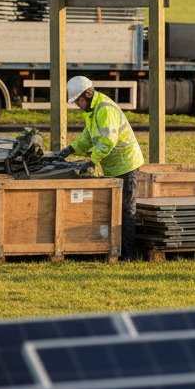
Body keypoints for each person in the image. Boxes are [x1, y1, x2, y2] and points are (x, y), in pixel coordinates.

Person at [57, 75, 145, 259]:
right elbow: (88, 137)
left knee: (127, 210)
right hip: (114, 165)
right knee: (117, 208)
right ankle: (119, 250)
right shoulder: (93, 111)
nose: (76, 105)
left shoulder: (104, 109)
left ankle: (128, 255)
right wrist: (70, 149)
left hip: (126, 163)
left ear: (86, 96)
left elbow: (106, 142)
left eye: (77, 101)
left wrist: (91, 161)